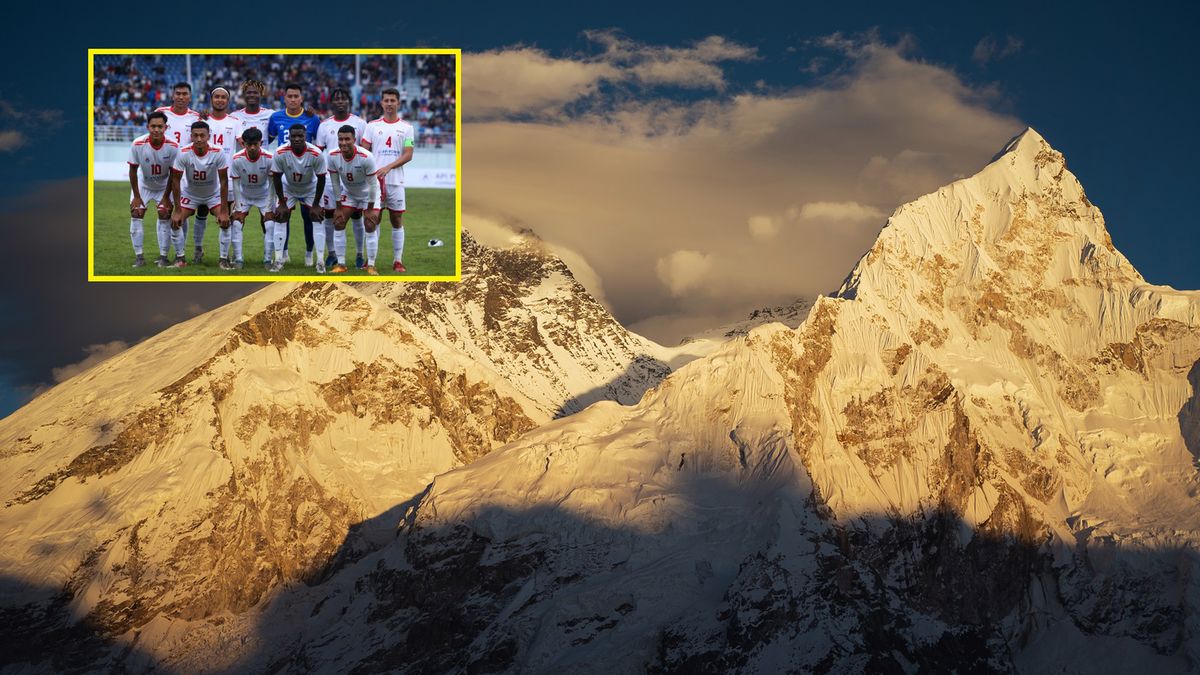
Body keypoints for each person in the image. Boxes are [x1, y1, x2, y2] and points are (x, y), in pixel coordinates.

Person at [361, 87, 414, 273]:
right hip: (374, 182)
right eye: (386, 100)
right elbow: (364, 152)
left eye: (393, 100)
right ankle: (371, 259)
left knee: (396, 219)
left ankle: (397, 260)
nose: (390, 104)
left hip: (395, 181)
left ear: (398, 103)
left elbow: (409, 155)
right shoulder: (372, 126)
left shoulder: (407, 128)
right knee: (373, 219)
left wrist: (389, 166)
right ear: (381, 103)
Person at [267, 83, 321, 266]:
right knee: (283, 215)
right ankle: (284, 253)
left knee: (309, 216)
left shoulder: (312, 118)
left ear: (301, 98)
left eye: (296, 96)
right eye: (289, 96)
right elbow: (268, 139)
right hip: (285, 173)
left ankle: (309, 254)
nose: (292, 99)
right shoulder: (275, 117)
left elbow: (318, 146)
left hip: (307, 173)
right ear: (284, 98)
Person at [315, 88, 367, 268]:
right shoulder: (324, 125)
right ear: (332, 102)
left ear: (349, 101)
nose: (340, 101)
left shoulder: (360, 124)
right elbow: (319, 153)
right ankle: (332, 254)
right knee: (330, 216)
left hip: (354, 179)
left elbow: (365, 151)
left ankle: (360, 254)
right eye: (336, 99)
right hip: (331, 178)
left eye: (343, 98)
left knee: (356, 216)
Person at [169, 121, 230, 267]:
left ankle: (223, 260)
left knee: (225, 222)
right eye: (195, 135)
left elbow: (224, 181)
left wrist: (224, 210)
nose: (199, 139)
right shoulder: (183, 152)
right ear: (191, 136)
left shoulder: (218, 152)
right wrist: (177, 210)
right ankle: (180, 259)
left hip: (212, 195)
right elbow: (175, 181)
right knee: (175, 222)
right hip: (191, 194)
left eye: (202, 135)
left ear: (209, 136)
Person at [231, 80, 276, 264]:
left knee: (269, 222)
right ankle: (237, 259)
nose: (251, 95)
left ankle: (270, 258)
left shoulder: (270, 115)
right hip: (244, 170)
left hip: (262, 170)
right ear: (243, 94)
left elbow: (278, 130)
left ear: (261, 94)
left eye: (255, 92)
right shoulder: (235, 116)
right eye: (248, 92)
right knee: (235, 221)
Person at [269, 124, 325, 272]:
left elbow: (321, 179)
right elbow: (276, 177)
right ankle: (279, 260)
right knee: (280, 217)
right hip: (289, 188)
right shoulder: (280, 152)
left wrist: (316, 204)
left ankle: (320, 261)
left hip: (310, 188)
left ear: (306, 136)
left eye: (300, 136)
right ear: (289, 137)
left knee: (317, 217)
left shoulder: (316, 153)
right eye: (294, 136)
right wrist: (281, 202)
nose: (297, 139)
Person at [126, 111, 179, 267]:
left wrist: (165, 197)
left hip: (164, 187)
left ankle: (163, 257)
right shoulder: (137, 144)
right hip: (143, 185)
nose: (156, 129)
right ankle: (139, 257)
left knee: (164, 214)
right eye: (153, 126)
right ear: (147, 127)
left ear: (165, 127)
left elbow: (174, 174)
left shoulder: (173, 146)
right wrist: (136, 196)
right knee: (136, 213)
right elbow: (133, 171)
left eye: (160, 126)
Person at [326, 125, 380, 274]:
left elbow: (373, 185)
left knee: (369, 224)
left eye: (347, 139)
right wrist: (337, 207)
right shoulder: (332, 155)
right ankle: (341, 264)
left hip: (368, 193)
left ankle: (371, 266)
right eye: (340, 139)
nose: (343, 143)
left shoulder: (366, 157)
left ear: (354, 140)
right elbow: (335, 182)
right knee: (338, 221)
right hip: (349, 193)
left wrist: (369, 209)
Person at [197, 87, 240, 264]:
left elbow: (242, 142)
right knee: (201, 212)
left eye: (223, 97)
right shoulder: (203, 119)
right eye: (217, 97)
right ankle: (198, 250)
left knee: (226, 216)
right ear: (211, 99)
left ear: (228, 101)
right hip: (205, 177)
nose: (220, 100)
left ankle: (225, 254)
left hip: (227, 177)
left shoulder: (235, 121)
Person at [226, 127, 275, 270]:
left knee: (270, 225)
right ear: (244, 144)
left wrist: (270, 205)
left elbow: (272, 184)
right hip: (244, 195)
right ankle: (238, 259)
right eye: (249, 144)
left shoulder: (269, 158)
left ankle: (267, 260)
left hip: (264, 195)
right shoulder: (237, 159)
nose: (252, 148)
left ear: (261, 142)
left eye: (256, 144)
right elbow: (235, 184)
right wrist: (239, 207)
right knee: (236, 223)